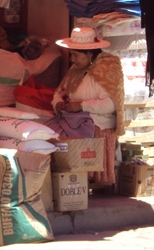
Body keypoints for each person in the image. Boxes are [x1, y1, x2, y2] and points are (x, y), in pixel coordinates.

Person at [51, 27, 124, 186]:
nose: (72, 60)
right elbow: (59, 92)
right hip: (74, 121)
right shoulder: (75, 70)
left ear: (90, 54)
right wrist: (59, 103)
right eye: (72, 55)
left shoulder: (106, 70)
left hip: (97, 124)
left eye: (76, 55)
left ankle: (86, 181)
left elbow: (111, 104)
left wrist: (82, 106)